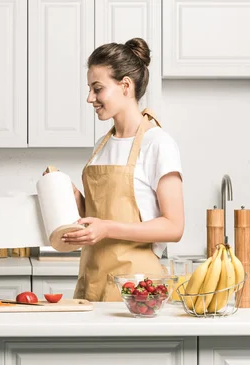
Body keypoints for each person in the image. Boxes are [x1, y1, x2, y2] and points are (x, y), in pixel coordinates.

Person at [62, 38, 185, 302]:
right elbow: (98, 218)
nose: (89, 98)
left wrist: (106, 228)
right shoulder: (102, 145)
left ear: (125, 85)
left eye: (97, 89)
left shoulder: (158, 143)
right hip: (93, 282)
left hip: (138, 289)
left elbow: (174, 227)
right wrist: (72, 198)